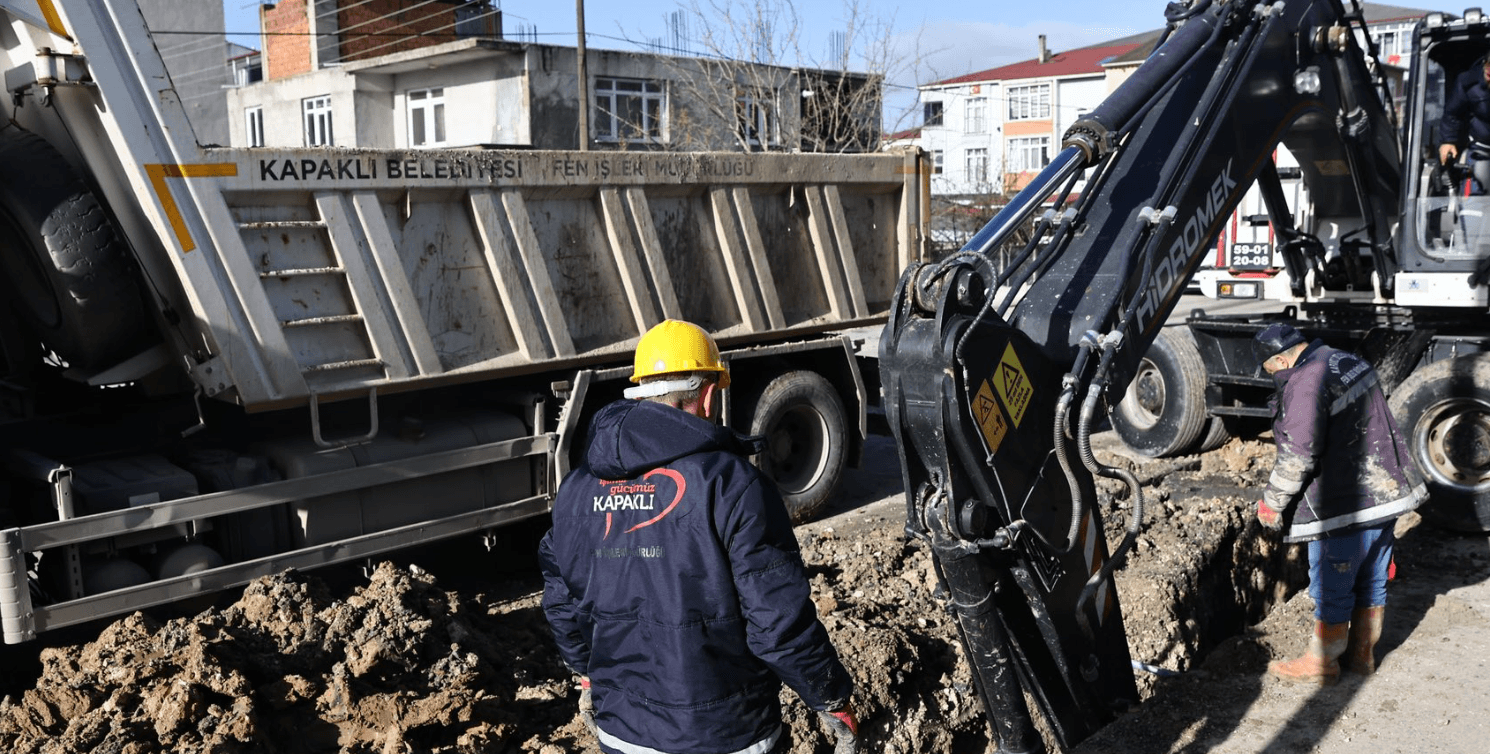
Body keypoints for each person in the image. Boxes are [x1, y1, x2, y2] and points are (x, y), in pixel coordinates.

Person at [538, 319, 859, 754]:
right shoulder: (733, 486)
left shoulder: (575, 490)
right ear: (708, 394)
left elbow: (561, 604)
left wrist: (588, 674)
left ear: (641, 390)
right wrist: (830, 696)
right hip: (726, 734)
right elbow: (777, 621)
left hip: (621, 732)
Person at [1253, 323, 1427, 684]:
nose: (1275, 379)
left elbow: (1298, 455)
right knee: (1373, 577)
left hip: (1345, 502)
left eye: (1272, 372)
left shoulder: (1305, 382)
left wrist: (1272, 503)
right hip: (1384, 490)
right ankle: (1362, 656)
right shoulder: (1344, 360)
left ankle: (1323, 663)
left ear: (1282, 359)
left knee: (1332, 580)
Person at [1439, 55, 1490, 194]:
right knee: (1473, 200)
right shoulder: (1467, 81)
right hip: (1481, 149)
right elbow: (1453, 113)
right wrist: (1448, 140)